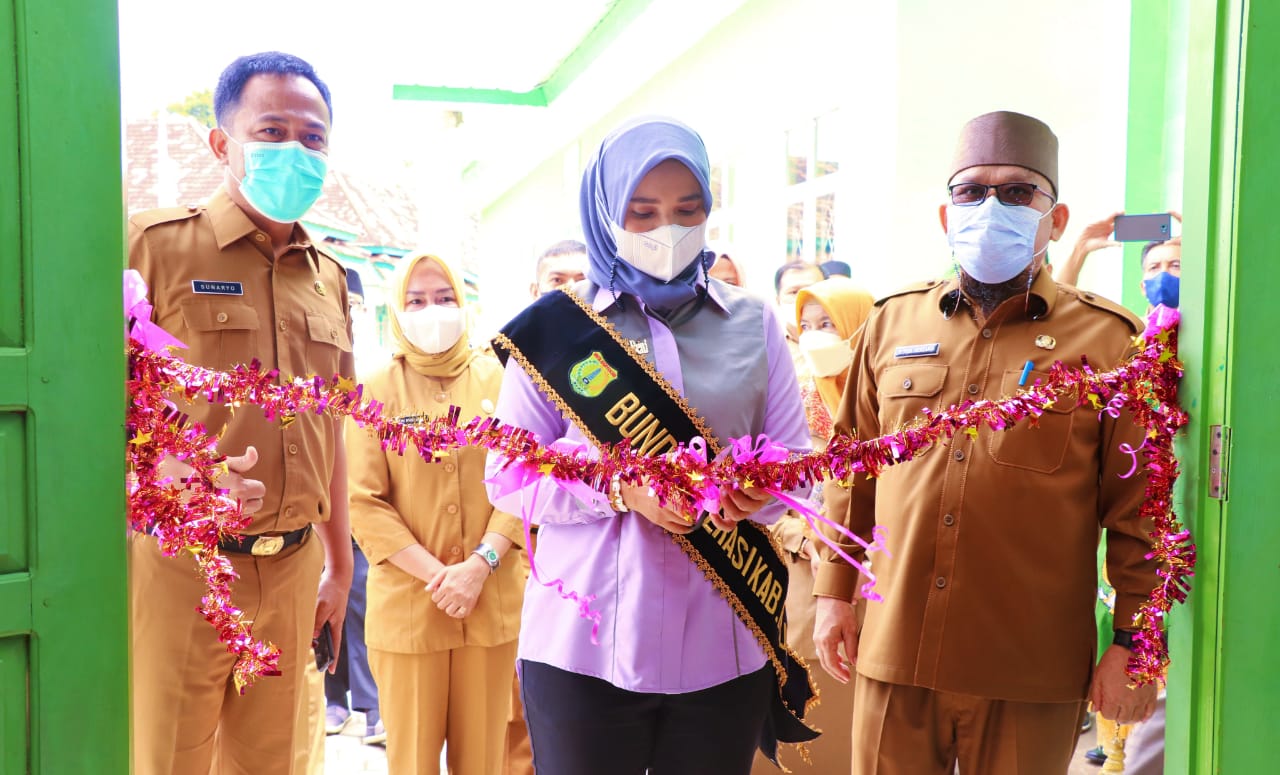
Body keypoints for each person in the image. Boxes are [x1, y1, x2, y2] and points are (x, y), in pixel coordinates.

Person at [812, 110, 1161, 775]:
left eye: (1018, 190)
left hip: (1030, 666)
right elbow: (848, 470)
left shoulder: (1112, 340)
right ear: (947, 216)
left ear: (1056, 220)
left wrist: (1135, 644)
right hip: (898, 651)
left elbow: (1138, 508)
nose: (991, 205)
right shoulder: (891, 323)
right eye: (971, 191)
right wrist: (833, 594)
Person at [485, 116, 813, 775]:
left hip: (724, 644)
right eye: (643, 211)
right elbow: (509, 475)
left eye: (688, 210)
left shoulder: (753, 323)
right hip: (582, 648)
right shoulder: (555, 330)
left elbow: (797, 469)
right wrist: (614, 486)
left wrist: (759, 489)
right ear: (607, 212)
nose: (668, 228)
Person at [128, 51, 354, 775]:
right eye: (273, 129)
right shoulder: (153, 247)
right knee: (163, 760)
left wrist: (342, 562)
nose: (296, 150)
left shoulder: (330, 278)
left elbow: (333, 428)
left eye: (313, 138)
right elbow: (94, 406)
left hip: (294, 572)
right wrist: (172, 475)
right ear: (222, 143)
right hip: (181, 569)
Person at [346, 251, 524, 774]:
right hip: (409, 610)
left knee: (487, 759)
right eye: (416, 300)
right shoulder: (375, 390)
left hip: (491, 603)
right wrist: (443, 577)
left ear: (464, 304)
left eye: (445, 298)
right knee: (412, 761)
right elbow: (364, 501)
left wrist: (478, 567)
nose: (433, 311)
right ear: (396, 311)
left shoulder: (503, 380)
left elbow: (523, 480)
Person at [749, 276, 874, 774]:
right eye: (807, 325)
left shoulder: (890, 400)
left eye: (831, 324)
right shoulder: (790, 403)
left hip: (878, 578)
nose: (816, 335)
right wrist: (803, 536)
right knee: (805, 701)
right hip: (802, 580)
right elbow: (766, 493)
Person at [324, 269, 385, 745]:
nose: (353, 315)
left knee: (361, 595)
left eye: (358, 307)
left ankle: (370, 706)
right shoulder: (318, 352)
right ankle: (332, 699)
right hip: (322, 500)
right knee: (323, 596)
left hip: (364, 498)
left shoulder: (379, 361)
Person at [773, 260, 826, 343]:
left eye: (811, 290)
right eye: (794, 292)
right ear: (778, 301)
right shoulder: (767, 346)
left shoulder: (846, 340)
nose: (802, 298)